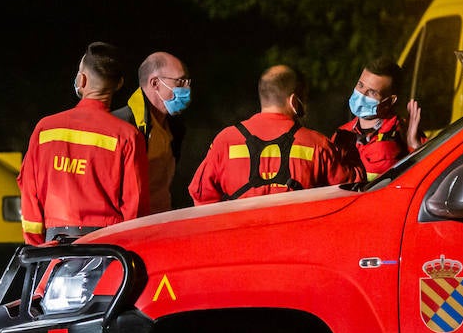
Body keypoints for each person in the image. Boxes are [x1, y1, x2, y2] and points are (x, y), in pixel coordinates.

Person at [6, 41, 149, 333]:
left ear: (82, 80)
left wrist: (38, 246)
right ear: (120, 88)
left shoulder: (46, 131)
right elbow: (136, 212)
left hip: (49, 261)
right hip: (102, 261)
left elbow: (29, 195)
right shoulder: (127, 137)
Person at [188, 64, 353, 203]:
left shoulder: (226, 140)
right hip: (298, 237)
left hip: (241, 237)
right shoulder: (317, 143)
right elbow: (345, 192)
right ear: (294, 101)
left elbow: (200, 193)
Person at [113, 51, 190, 212]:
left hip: (160, 222)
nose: (187, 88)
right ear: (155, 83)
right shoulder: (121, 126)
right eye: (180, 81)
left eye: (187, 81)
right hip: (129, 227)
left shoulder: (174, 127)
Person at [333, 56, 424, 183]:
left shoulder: (403, 132)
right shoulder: (341, 134)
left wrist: (414, 146)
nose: (362, 95)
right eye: (360, 85)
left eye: (372, 92)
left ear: (390, 100)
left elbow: (426, 179)